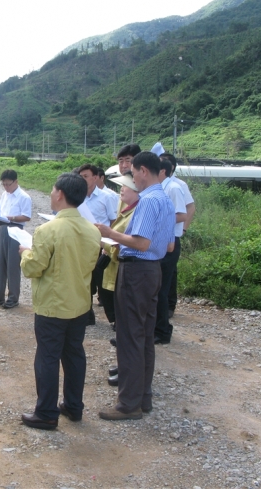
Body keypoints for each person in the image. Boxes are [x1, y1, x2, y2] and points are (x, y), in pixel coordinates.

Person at [95, 152, 175, 420]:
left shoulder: (149, 201)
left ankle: (128, 404)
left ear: (142, 171)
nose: (131, 180)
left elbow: (140, 243)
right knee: (144, 337)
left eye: (132, 172)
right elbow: (166, 244)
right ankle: (143, 398)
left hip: (136, 272)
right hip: (152, 271)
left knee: (130, 337)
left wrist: (109, 234)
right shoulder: (163, 197)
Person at [18, 173, 101, 429]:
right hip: (79, 304)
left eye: (53, 190)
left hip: (53, 306)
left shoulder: (47, 230)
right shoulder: (92, 230)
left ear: (60, 194)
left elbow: (34, 268)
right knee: (74, 354)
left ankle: (46, 413)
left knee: (48, 357)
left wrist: (25, 252)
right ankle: (74, 407)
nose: (52, 194)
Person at [100, 172, 140, 387]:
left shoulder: (136, 214)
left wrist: (105, 242)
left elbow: (128, 244)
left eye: (125, 187)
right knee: (121, 323)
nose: (121, 190)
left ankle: (127, 369)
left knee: (127, 324)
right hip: (116, 271)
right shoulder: (125, 210)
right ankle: (122, 364)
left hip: (124, 270)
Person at [0, 170, 32, 309]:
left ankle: (13, 297)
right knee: (0, 262)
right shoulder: (5, 195)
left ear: (16, 182)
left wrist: (11, 218)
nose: (6, 187)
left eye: (8, 184)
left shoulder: (24, 197)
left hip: (15, 230)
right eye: (4, 184)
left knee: (12, 264)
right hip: (2, 228)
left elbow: (26, 216)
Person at [78, 164, 117, 323]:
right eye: (80, 176)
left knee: (104, 284)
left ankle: (114, 319)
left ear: (95, 177)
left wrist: (110, 244)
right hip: (82, 245)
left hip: (102, 245)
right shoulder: (77, 197)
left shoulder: (106, 197)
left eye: (86, 176)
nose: (83, 179)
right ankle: (87, 315)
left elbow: (115, 221)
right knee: (84, 281)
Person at [155, 158, 187, 344]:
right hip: (161, 241)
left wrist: (158, 222)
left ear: (162, 171)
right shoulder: (161, 188)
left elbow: (182, 214)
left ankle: (163, 331)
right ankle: (156, 328)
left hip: (170, 242)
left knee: (160, 289)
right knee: (155, 288)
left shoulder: (173, 188)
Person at [160, 152, 196, 319]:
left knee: (169, 275)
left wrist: (183, 230)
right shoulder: (157, 185)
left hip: (172, 237)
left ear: (169, 168)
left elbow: (188, 209)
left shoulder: (177, 186)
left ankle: (168, 307)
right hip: (160, 239)